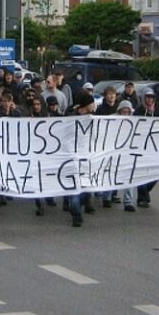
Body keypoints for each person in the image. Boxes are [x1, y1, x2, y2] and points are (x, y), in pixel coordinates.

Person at [65, 92, 97, 226]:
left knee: (87, 188)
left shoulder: (93, 118)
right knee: (76, 188)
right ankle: (76, 214)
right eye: (92, 103)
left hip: (88, 158)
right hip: (73, 158)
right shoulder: (72, 118)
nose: (95, 105)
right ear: (86, 105)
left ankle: (78, 204)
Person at [133, 88, 159, 208]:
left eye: (152, 97)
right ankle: (141, 198)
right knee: (141, 172)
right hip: (142, 146)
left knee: (156, 173)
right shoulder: (139, 111)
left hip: (155, 145)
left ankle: (146, 192)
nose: (150, 99)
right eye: (147, 97)